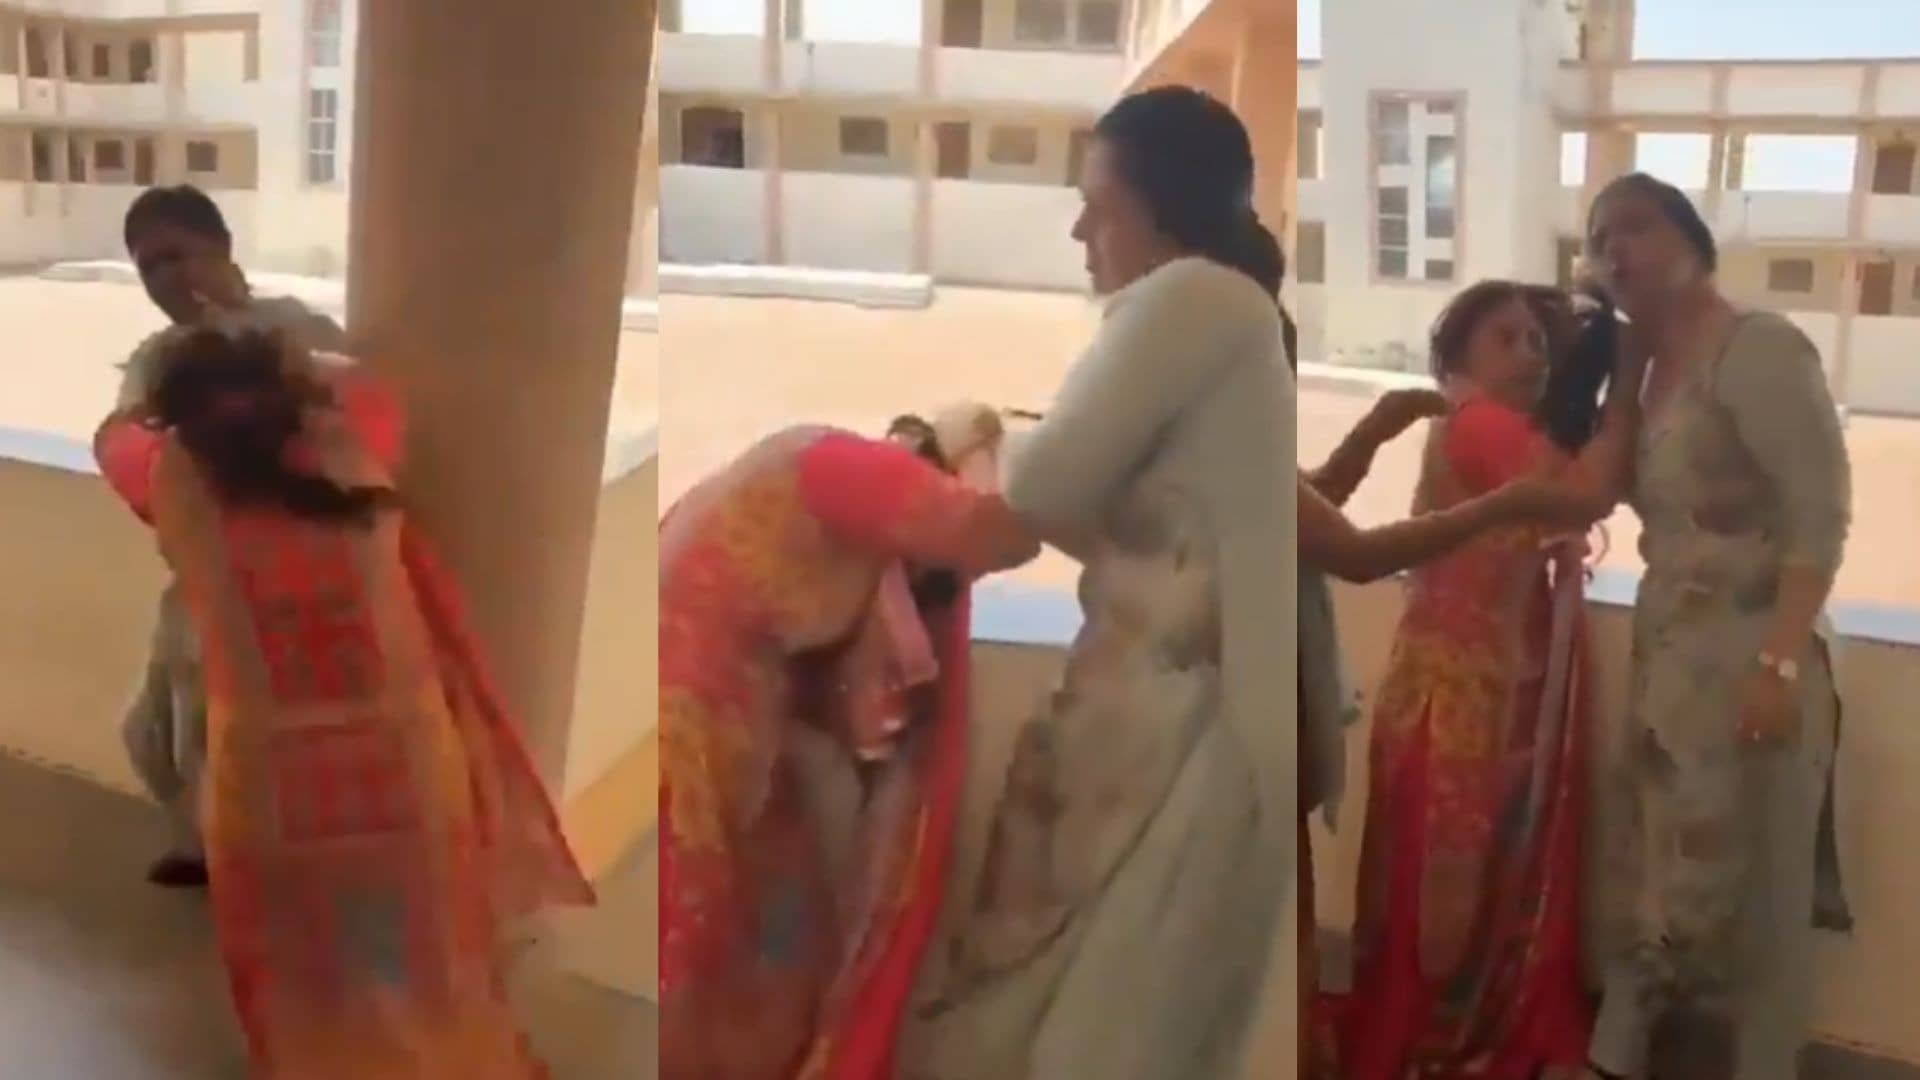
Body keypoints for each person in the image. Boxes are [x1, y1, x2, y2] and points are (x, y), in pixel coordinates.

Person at [895, 85, 1296, 1080]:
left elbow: (1046, 484)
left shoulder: (1192, 297)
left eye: (1098, 208)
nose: (1081, 233)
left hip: (1180, 726)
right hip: (1187, 711)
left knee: (1098, 1025)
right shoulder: (1233, 316)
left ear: (1160, 211)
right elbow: (1121, 525)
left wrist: (983, 431)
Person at [93, 320, 594, 1076]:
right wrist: (288, 366)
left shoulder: (171, 475)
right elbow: (359, 382)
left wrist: (170, 392)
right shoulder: (353, 444)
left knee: (302, 972)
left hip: (272, 781)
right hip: (407, 761)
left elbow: (113, 438)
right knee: (429, 958)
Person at [656, 407, 1038, 1078]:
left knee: (778, 941)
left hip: (728, 727)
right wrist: (996, 449)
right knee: (696, 957)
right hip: (687, 722)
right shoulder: (842, 471)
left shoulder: (819, 488)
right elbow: (995, 535)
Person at [1326, 280, 1639, 1080]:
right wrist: (1626, 389)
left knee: (1439, 883)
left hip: (1457, 687)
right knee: (1451, 891)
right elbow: (1584, 497)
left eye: (1537, 341)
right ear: (1457, 352)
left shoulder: (1476, 424)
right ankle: (1438, 1044)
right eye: (1506, 338)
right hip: (1462, 700)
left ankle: (1420, 1036)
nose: (1529, 354)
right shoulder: (1481, 425)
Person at [1581, 173, 1851, 1080]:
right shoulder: (1651, 373)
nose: (1616, 250)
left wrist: (1779, 664)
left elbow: (1820, 517)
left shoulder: (1758, 349)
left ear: (1692, 241)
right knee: (1654, 885)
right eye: (1599, 240)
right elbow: (1604, 489)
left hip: (1756, 661)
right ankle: (1616, 1058)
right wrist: (1623, 372)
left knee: (1762, 908)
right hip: (1671, 668)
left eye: (1636, 227)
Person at [115, 184, 349, 887]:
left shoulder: (295, 328)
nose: (166, 278)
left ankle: (248, 865)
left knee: (239, 728)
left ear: (220, 248)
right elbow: (138, 453)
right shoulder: (156, 357)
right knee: (153, 732)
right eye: (149, 267)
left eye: (177, 255)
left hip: (285, 566)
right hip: (203, 567)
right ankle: (206, 845)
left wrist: (238, 330)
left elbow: (342, 420)